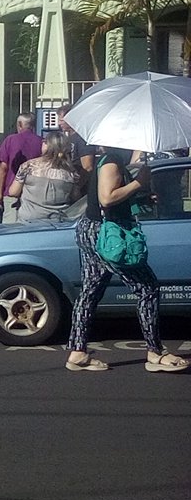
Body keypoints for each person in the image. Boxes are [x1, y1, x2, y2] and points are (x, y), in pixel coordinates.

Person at [65, 146, 189, 373]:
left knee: (91, 290)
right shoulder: (112, 160)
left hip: (94, 230)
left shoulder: (111, 160)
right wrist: (138, 183)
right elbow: (107, 197)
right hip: (109, 236)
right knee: (147, 287)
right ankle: (155, 352)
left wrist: (140, 193)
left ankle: (78, 351)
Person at [9, 131, 82, 221]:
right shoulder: (71, 172)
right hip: (57, 220)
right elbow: (75, 197)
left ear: (47, 145)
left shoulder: (28, 166)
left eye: (44, 141)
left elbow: (13, 192)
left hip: (29, 219)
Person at [0, 113, 43, 224]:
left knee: (9, 226)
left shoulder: (10, 140)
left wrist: (0, 193)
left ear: (19, 124)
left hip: (12, 192)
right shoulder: (41, 142)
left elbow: (3, 168)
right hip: (33, 193)